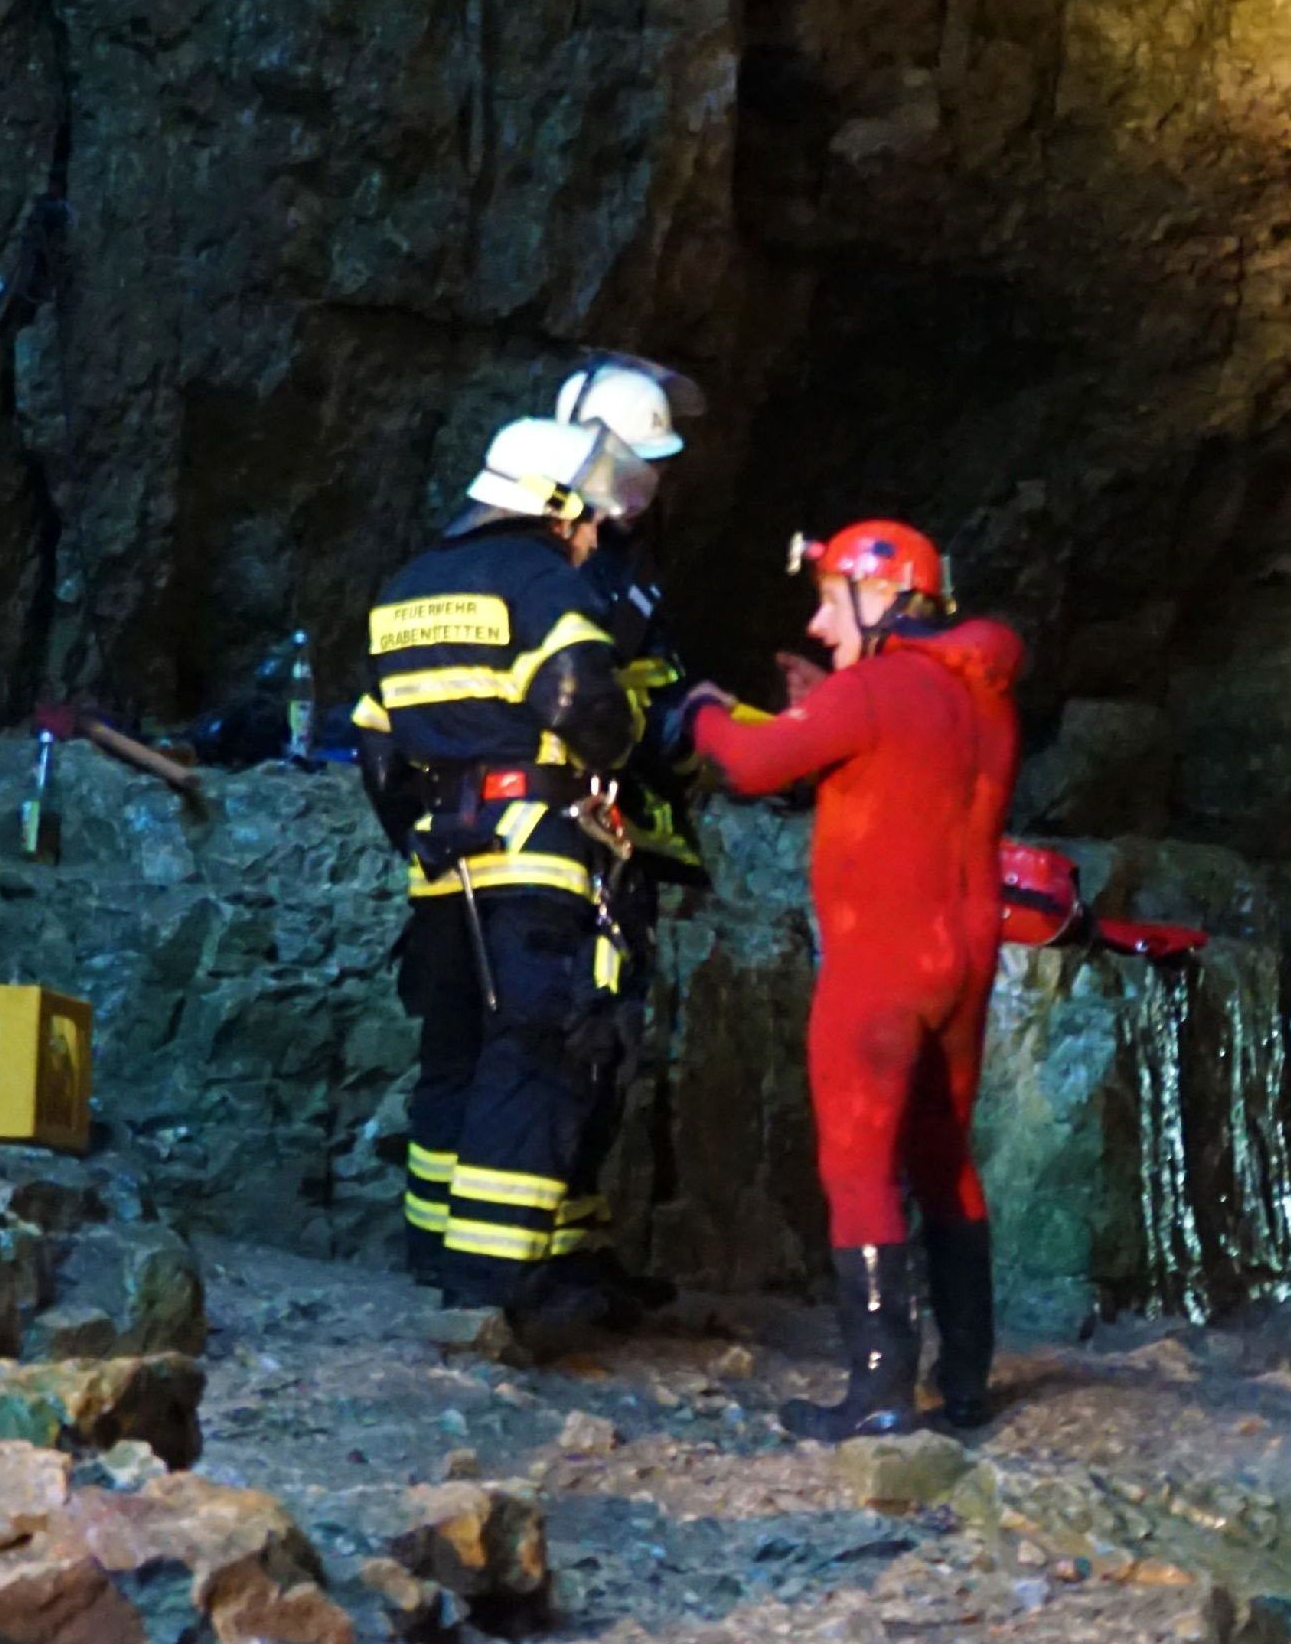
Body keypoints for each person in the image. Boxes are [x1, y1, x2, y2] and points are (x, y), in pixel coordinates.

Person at [675, 520, 1022, 1438]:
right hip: (965, 961)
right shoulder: (980, 695)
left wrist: (698, 709)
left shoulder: (874, 690)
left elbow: (749, 763)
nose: (823, 627)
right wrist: (824, 706)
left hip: (882, 963)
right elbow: (889, 764)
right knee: (944, 1158)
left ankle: (875, 1397)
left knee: (859, 1167)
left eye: (831, 603)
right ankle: (967, 1384)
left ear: (886, 599)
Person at [348, 415, 658, 1331]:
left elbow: (375, 750)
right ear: (556, 505)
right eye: (588, 516)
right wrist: (630, 742)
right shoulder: (537, 577)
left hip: (443, 867)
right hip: (536, 860)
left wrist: (421, 832)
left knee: (452, 1057)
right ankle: (491, 1292)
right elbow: (578, 699)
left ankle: (432, 1258)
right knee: (535, 1056)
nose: (594, 534)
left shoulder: (406, 587)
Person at [540, 354, 721, 1307]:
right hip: (562, 829)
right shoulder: (552, 558)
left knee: (608, 1044)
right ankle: (540, 1261)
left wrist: (692, 720)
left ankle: (578, 1248)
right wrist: (673, 725)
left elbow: (645, 683)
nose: (645, 483)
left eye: (654, 466)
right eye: (631, 462)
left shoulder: (626, 568)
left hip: (614, 836)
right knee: (573, 1038)